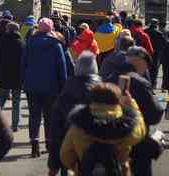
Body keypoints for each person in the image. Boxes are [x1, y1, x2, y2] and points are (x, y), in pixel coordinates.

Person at [60, 82, 146, 176]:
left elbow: (65, 155)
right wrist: (131, 103)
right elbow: (140, 130)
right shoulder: (125, 126)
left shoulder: (79, 124)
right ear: (116, 100)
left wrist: (78, 167)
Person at [106, 46, 164, 176]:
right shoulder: (140, 83)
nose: (146, 70)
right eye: (146, 66)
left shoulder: (108, 79)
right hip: (137, 146)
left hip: (111, 145)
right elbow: (155, 114)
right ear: (140, 62)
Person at [48, 51, 101, 176]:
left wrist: (53, 165)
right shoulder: (103, 91)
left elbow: (56, 133)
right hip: (96, 154)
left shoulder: (66, 92)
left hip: (69, 149)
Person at [23, 17, 67, 157]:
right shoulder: (56, 45)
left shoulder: (29, 43)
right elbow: (62, 68)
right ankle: (48, 143)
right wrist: (63, 86)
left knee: (34, 115)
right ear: (51, 29)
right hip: (51, 87)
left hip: (32, 86)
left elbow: (23, 64)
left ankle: (34, 144)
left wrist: (23, 81)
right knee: (49, 116)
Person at [0, 22, 25, 132]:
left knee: (1, 99)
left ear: (8, 30)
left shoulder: (2, 42)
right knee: (16, 101)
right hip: (17, 76)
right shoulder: (21, 43)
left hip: (4, 75)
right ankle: (15, 125)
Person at [145, 18, 166, 88]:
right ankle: (153, 85)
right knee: (154, 70)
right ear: (156, 25)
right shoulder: (159, 33)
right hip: (155, 54)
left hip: (145, 53)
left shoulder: (145, 31)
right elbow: (163, 44)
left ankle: (145, 83)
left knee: (146, 69)